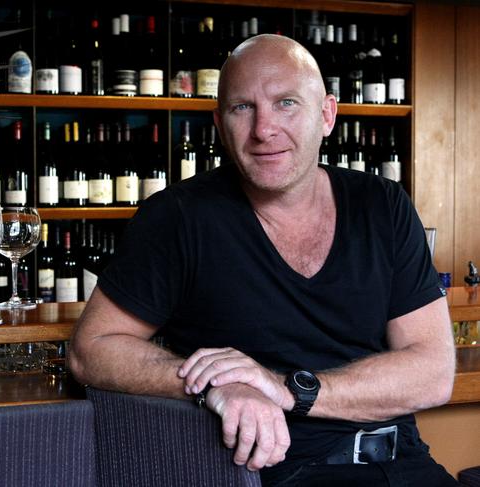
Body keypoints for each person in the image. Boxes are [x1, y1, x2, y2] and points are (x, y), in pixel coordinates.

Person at [69, 34, 457, 486]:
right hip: (279, 474)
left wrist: (290, 390)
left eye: (286, 103)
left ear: (327, 115)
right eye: (242, 108)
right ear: (219, 123)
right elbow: (91, 350)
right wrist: (214, 383)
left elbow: (433, 372)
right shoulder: (177, 217)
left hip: (406, 465)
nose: (263, 130)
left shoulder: (382, 203)